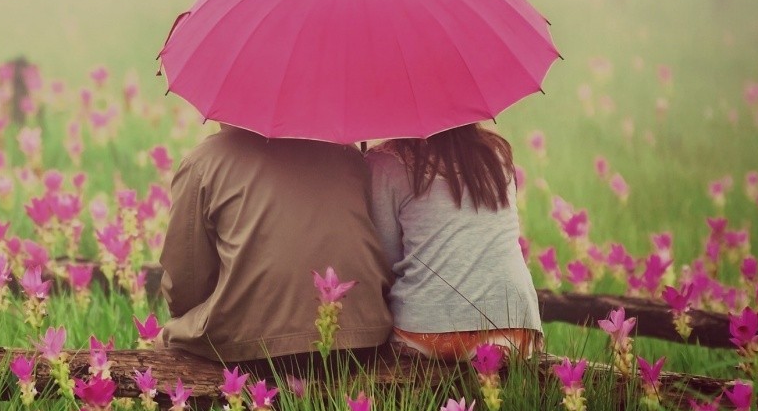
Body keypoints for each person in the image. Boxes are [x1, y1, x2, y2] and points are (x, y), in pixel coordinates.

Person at [159, 124, 394, 366]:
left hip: (252, 350)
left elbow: (185, 284)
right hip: (363, 344)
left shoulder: (204, 161)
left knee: (166, 338)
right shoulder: (350, 154)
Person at [363, 123, 542, 360]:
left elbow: (385, 261)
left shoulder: (384, 163)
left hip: (429, 335)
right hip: (516, 331)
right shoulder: (496, 154)